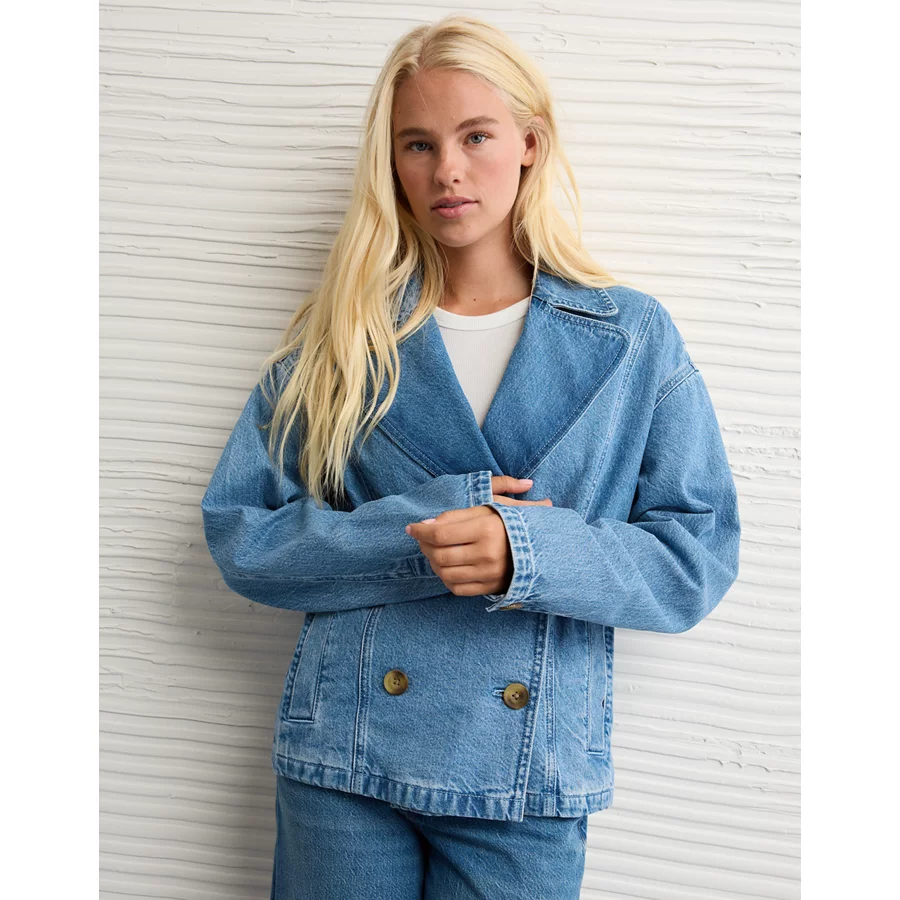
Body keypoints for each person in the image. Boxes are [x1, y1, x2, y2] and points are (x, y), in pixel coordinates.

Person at [200, 14, 741, 900]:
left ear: (530, 144)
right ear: (392, 165)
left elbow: (696, 559)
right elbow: (243, 535)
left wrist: (526, 552)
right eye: (417, 144)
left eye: (475, 136)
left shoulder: (631, 337)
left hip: (526, 776)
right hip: (347, 754)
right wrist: (423, 535)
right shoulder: (345, 336)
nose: (446, 169)